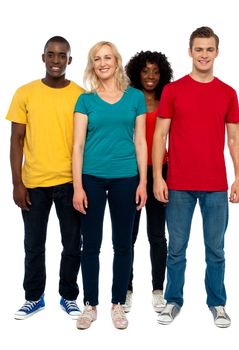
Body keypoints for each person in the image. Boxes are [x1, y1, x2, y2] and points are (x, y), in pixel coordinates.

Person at [152, 26, 239, 328]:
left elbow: (234, 138)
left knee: (216, 249)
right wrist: (158, 178)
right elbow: (159, 135)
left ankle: (217, 303)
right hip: (178, 185)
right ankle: (173, 300)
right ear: (190, 52)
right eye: (199, 49)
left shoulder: (227, 92)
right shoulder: (173, 90)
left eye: (209, 49)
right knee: (176, 249)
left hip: (216, 186)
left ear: (216, 52)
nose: (204, 54)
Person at [6, 36, 84, 320]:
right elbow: (16, 140)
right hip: (34, 183)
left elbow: (85, 142)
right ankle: (34, 297)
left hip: (69, 182)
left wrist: (81, 183)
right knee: (33, 244)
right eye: (51, 54)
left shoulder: (80, 95)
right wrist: (17, 182)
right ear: (43, 58)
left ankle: (68, 296)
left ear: (69, 60)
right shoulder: (25, 93)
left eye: (62, 55)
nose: (56, 60)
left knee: (73, 243)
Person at [72, 41, 147, 330]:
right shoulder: (85, 100)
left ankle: (118, 304)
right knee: (90, 243)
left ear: (116, 61)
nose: (102, 62)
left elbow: (140, 141)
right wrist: (78, 186)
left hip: (126, 177)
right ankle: (90, 305)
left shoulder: (135, 97)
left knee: (123, 243)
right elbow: (77, 146)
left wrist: (142, 181)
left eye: (107, 57)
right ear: (93, 65)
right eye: (96, 59)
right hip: (91, 176)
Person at [124, 51, 173, 312]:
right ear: (136, 73)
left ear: (162, 73)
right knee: (128, 235)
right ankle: (127, 287)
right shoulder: (129, 98)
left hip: (162, 172)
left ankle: (158, 288)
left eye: (155, 71)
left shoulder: (167, 99)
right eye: (145, 71)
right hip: (130, 172)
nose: (151, 76)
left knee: (157, 234)